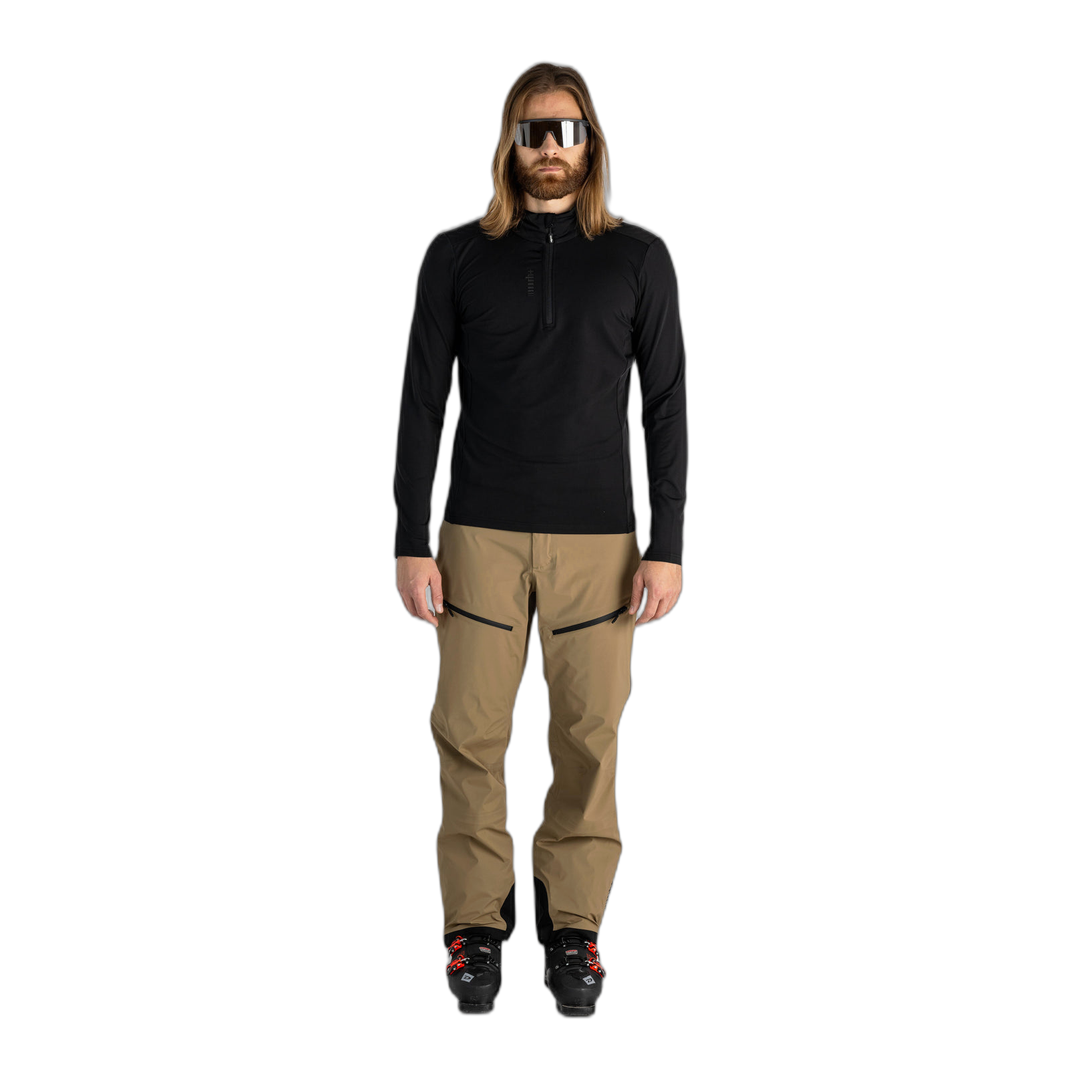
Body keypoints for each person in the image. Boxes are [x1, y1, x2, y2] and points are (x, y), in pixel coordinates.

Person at [391, 61, 689, 1019]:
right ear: (508, 144)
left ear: (591, 142)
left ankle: (576, 929)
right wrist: (410, 540)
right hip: (474, 535)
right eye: (532, 131)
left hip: (603, 542)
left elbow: (666, 405)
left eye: (566, 130)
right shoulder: (455, 255)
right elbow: (421, 403)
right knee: (468, 735)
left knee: (589, 739)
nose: (549, 148)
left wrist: (668, 544)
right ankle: (473, 926)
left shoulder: (640, 257)